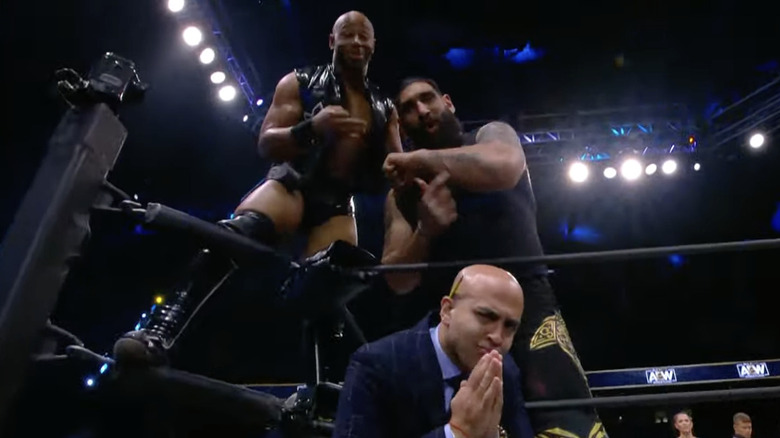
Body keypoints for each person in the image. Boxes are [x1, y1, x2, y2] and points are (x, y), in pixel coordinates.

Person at [113, 11, 403, 365]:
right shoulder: (301, 82)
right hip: (293, 182)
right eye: (349, 34)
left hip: (338, 202)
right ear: (332, 40)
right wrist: (312, 127)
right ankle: (160, 330)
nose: (357, 42)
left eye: (364, 36)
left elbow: (397, 163)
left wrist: (400, 169)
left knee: (332, 288)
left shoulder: (384, 107)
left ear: (374, 45)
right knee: (234, 237)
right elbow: (267, 143)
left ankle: (326, 385)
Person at [380, 77, 607, 437]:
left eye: (427, 99)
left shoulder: (490, 136)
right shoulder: (403, 195)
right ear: (401, 124)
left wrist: (421, 159)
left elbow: (504, 166)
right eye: (407, 108)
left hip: (528, 305)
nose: (421, 111)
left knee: (567, 422)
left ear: (449, 103)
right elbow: (396, 278)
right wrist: (425, 232)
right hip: (456, 321)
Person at [333, 264, 534, 438]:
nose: (497, 337)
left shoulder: (503, 370)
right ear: (447, 311)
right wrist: (457, 432)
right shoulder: (376, 365)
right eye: (486, 316)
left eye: (509, 326)